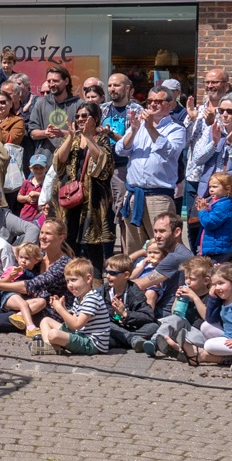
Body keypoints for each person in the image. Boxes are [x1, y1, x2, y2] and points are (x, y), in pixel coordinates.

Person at [116, 84, 185, 252]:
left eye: (158, 101)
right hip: (134, 195)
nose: (153, 105)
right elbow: (120, 150)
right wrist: (133, 131)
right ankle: (135, 278)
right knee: (134, 248)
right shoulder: (138, 127)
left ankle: (164, 278)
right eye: (150, 101)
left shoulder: (176, 129)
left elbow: (170, 150)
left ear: (170, 105)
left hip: (158, 196)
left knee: (163, 247)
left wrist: (150, 128)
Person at [51, 102, 115, 261]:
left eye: (84, 116)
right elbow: (59, 162)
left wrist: (87, 136)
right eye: (78, 116)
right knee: (67, 241)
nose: (80, 119)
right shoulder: (71, 137)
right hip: (68, 198)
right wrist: (71, 136)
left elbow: (103, 165)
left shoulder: (101, 139)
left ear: (95, 118)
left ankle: (95, 281)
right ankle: (67, 279)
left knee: (92, 247)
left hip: (92, 199)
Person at [38, 258, 111, 356]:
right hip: (80, 335)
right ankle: (50, 347)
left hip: (92, 344)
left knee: (53, 334)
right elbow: (72, 326)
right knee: (45, 320)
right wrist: (63, 308)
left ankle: (52, 345)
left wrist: (60, 309)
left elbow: (77, 325)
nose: (70, 284)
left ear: (88, 279)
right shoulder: (79, 297)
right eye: (68, 281)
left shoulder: (92, 298)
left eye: (73, 280)